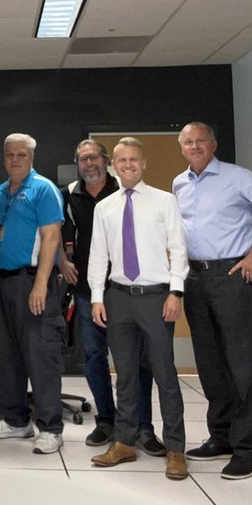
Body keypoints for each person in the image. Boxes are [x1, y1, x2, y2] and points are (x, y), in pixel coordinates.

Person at [173, 122, 252, 480]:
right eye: (188, 142)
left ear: (213, 144)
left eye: (200, 141)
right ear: (182, 148)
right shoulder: (179, 184)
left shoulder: (238, 177)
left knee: (239, 362)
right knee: (209, 363)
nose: (195, 146)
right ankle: (221, 436)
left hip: (231, 275)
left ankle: (246, 449)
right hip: (194, 277)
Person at [87, 138, 189, 481]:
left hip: (157, 298)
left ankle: (175, 448)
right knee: (125, 374)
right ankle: (125, 441)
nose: (127, 164)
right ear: (113, 164)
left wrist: (176, 292)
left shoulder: (164, 201)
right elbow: (98, 255)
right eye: (121, 159)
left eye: (133, 159)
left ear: (143, 163)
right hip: (118, 299)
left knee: (164, 373)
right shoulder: (106, 207)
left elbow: (178, 248)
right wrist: (98, 297)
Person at [61, 139, 164, 455]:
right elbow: (66, 235)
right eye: (82, 158)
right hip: (86, 290)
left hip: (125, 289)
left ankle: (143, 427)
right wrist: (64, 261)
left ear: (106, 161)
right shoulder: (69, 194)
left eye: (93, 157)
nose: (88, 163)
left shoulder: (123, 192)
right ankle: (106, 420)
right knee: (93, 357)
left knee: (136, 360)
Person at [0, 133, 66, 455]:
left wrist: (42, 283)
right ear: (3, 158)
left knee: (40, 355)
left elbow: (51, 237)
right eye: (9, 155)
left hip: (31, 282)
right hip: (2, 282)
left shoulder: (43, 189)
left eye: (21, 154)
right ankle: (16, 420)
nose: (15, 159)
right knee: (7, 355)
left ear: (31, 157)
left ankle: (51, 427)